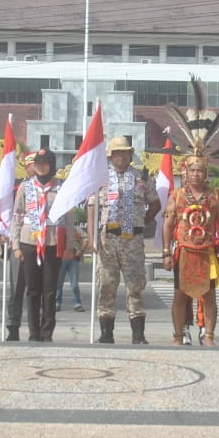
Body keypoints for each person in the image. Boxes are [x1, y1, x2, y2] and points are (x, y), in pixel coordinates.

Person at [87, 136, 161, 344]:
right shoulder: (100, 180)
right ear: (110, 156)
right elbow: (92, 208)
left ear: (130, 154)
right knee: (106, 285)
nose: (121, 156)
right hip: (108, 239)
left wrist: (143, 222)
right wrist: (92, 238)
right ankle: (106, 333)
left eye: (125, 152)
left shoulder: (142, 178)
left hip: (132, 240)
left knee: (135, 286)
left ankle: (138, 335)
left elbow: (155, 203)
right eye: (117, 153)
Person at [162, 155, 219, 346]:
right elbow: (168, 225)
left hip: (207, 253)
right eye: (192, 170)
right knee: (179, 296)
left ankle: (208, 335)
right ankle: (178, 335)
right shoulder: (176, 195)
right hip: (184, 252)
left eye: (199, 170)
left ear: (205, 173)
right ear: (185, 172)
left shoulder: (214, 195)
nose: (195, 174)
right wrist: (166, 252)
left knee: (209, 296)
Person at [10, 149, 64, 342]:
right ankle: (33, 331)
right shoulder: (26, 187)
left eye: (45, 163)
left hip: (52, 241)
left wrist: (69, 246)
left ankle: (47, 332)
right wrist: (15, 245)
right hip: (29, 242)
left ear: (52, 165)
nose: (41, 167)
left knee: (49, 291)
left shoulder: (60, 187)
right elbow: (17, 216)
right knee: (32, 290)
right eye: (38, 163)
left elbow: (68, 218)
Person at [56, 219, 85, 314]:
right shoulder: (57, 229)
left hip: (73, 258)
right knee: (58, 283)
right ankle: (56, 303)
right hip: (61, 258)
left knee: (74, 284)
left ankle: (77, 303)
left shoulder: (76, 229)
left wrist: (81, 250)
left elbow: (86, 239)